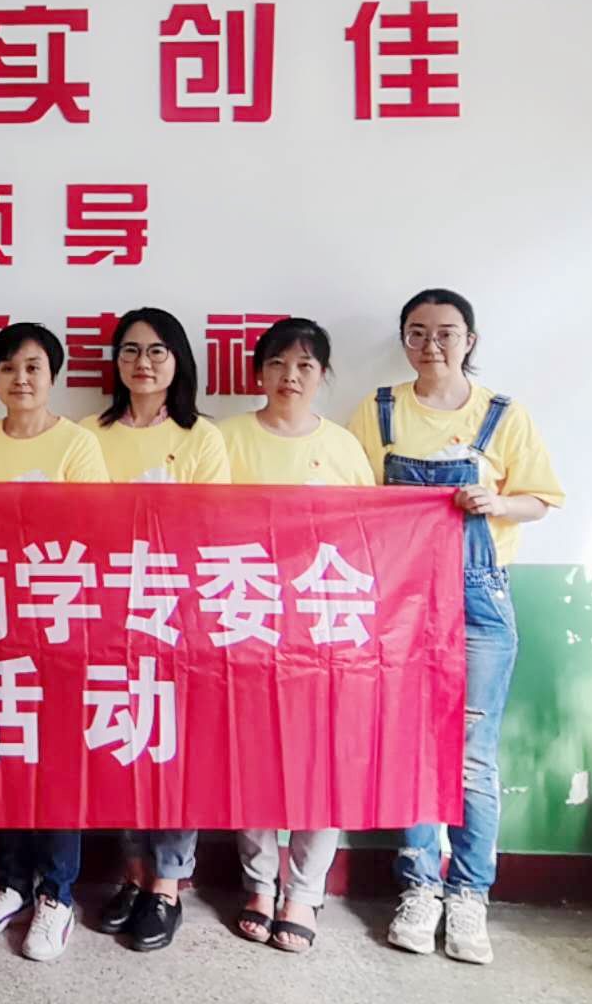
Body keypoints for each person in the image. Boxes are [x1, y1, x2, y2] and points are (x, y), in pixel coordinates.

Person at [349, 289, 563, 966]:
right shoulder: (378, 410)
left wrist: (495, 501)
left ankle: (469, 894)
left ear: (469, 339)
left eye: (445, 332)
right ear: (403, 341)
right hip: (398, 600)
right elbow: (351, 501)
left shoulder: (502, 414)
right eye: (417, 332)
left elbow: (541, 499)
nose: (431, 345)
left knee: (472, 754)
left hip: (478, 601)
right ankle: (420, 887)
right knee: (412, 746)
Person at [216, 317, 375, 955]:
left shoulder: (343, 447)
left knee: (320, 761)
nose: (290, 376)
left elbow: (369, 537)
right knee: (254, 755)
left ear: (323, 376)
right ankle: (259, 883)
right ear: (258, 372)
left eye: (305, 365)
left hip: (323, 625)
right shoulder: (225, 438)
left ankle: (305, 891)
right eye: (278, 363)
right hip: (246, 618)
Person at [79, 307, 229, 952]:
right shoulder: (89, 433)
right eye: (131, 351)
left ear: (178, 362)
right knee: (123, 740)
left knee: (172, 751)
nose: (143, 363)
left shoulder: (201, 437)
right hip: (105, 612)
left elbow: (209, 529)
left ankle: (167, 884)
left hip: (174, 615)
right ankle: (133, 875)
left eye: (157, 351)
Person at [0, 322, 105, 962]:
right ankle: (11, 884)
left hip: (58, 622)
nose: (21, 379)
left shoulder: (78, 444)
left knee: (58, 762)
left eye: (34, 367)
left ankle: (57, 895)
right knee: (7, 755)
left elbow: (89, 532)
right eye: (9, 368)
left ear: (54, 376)